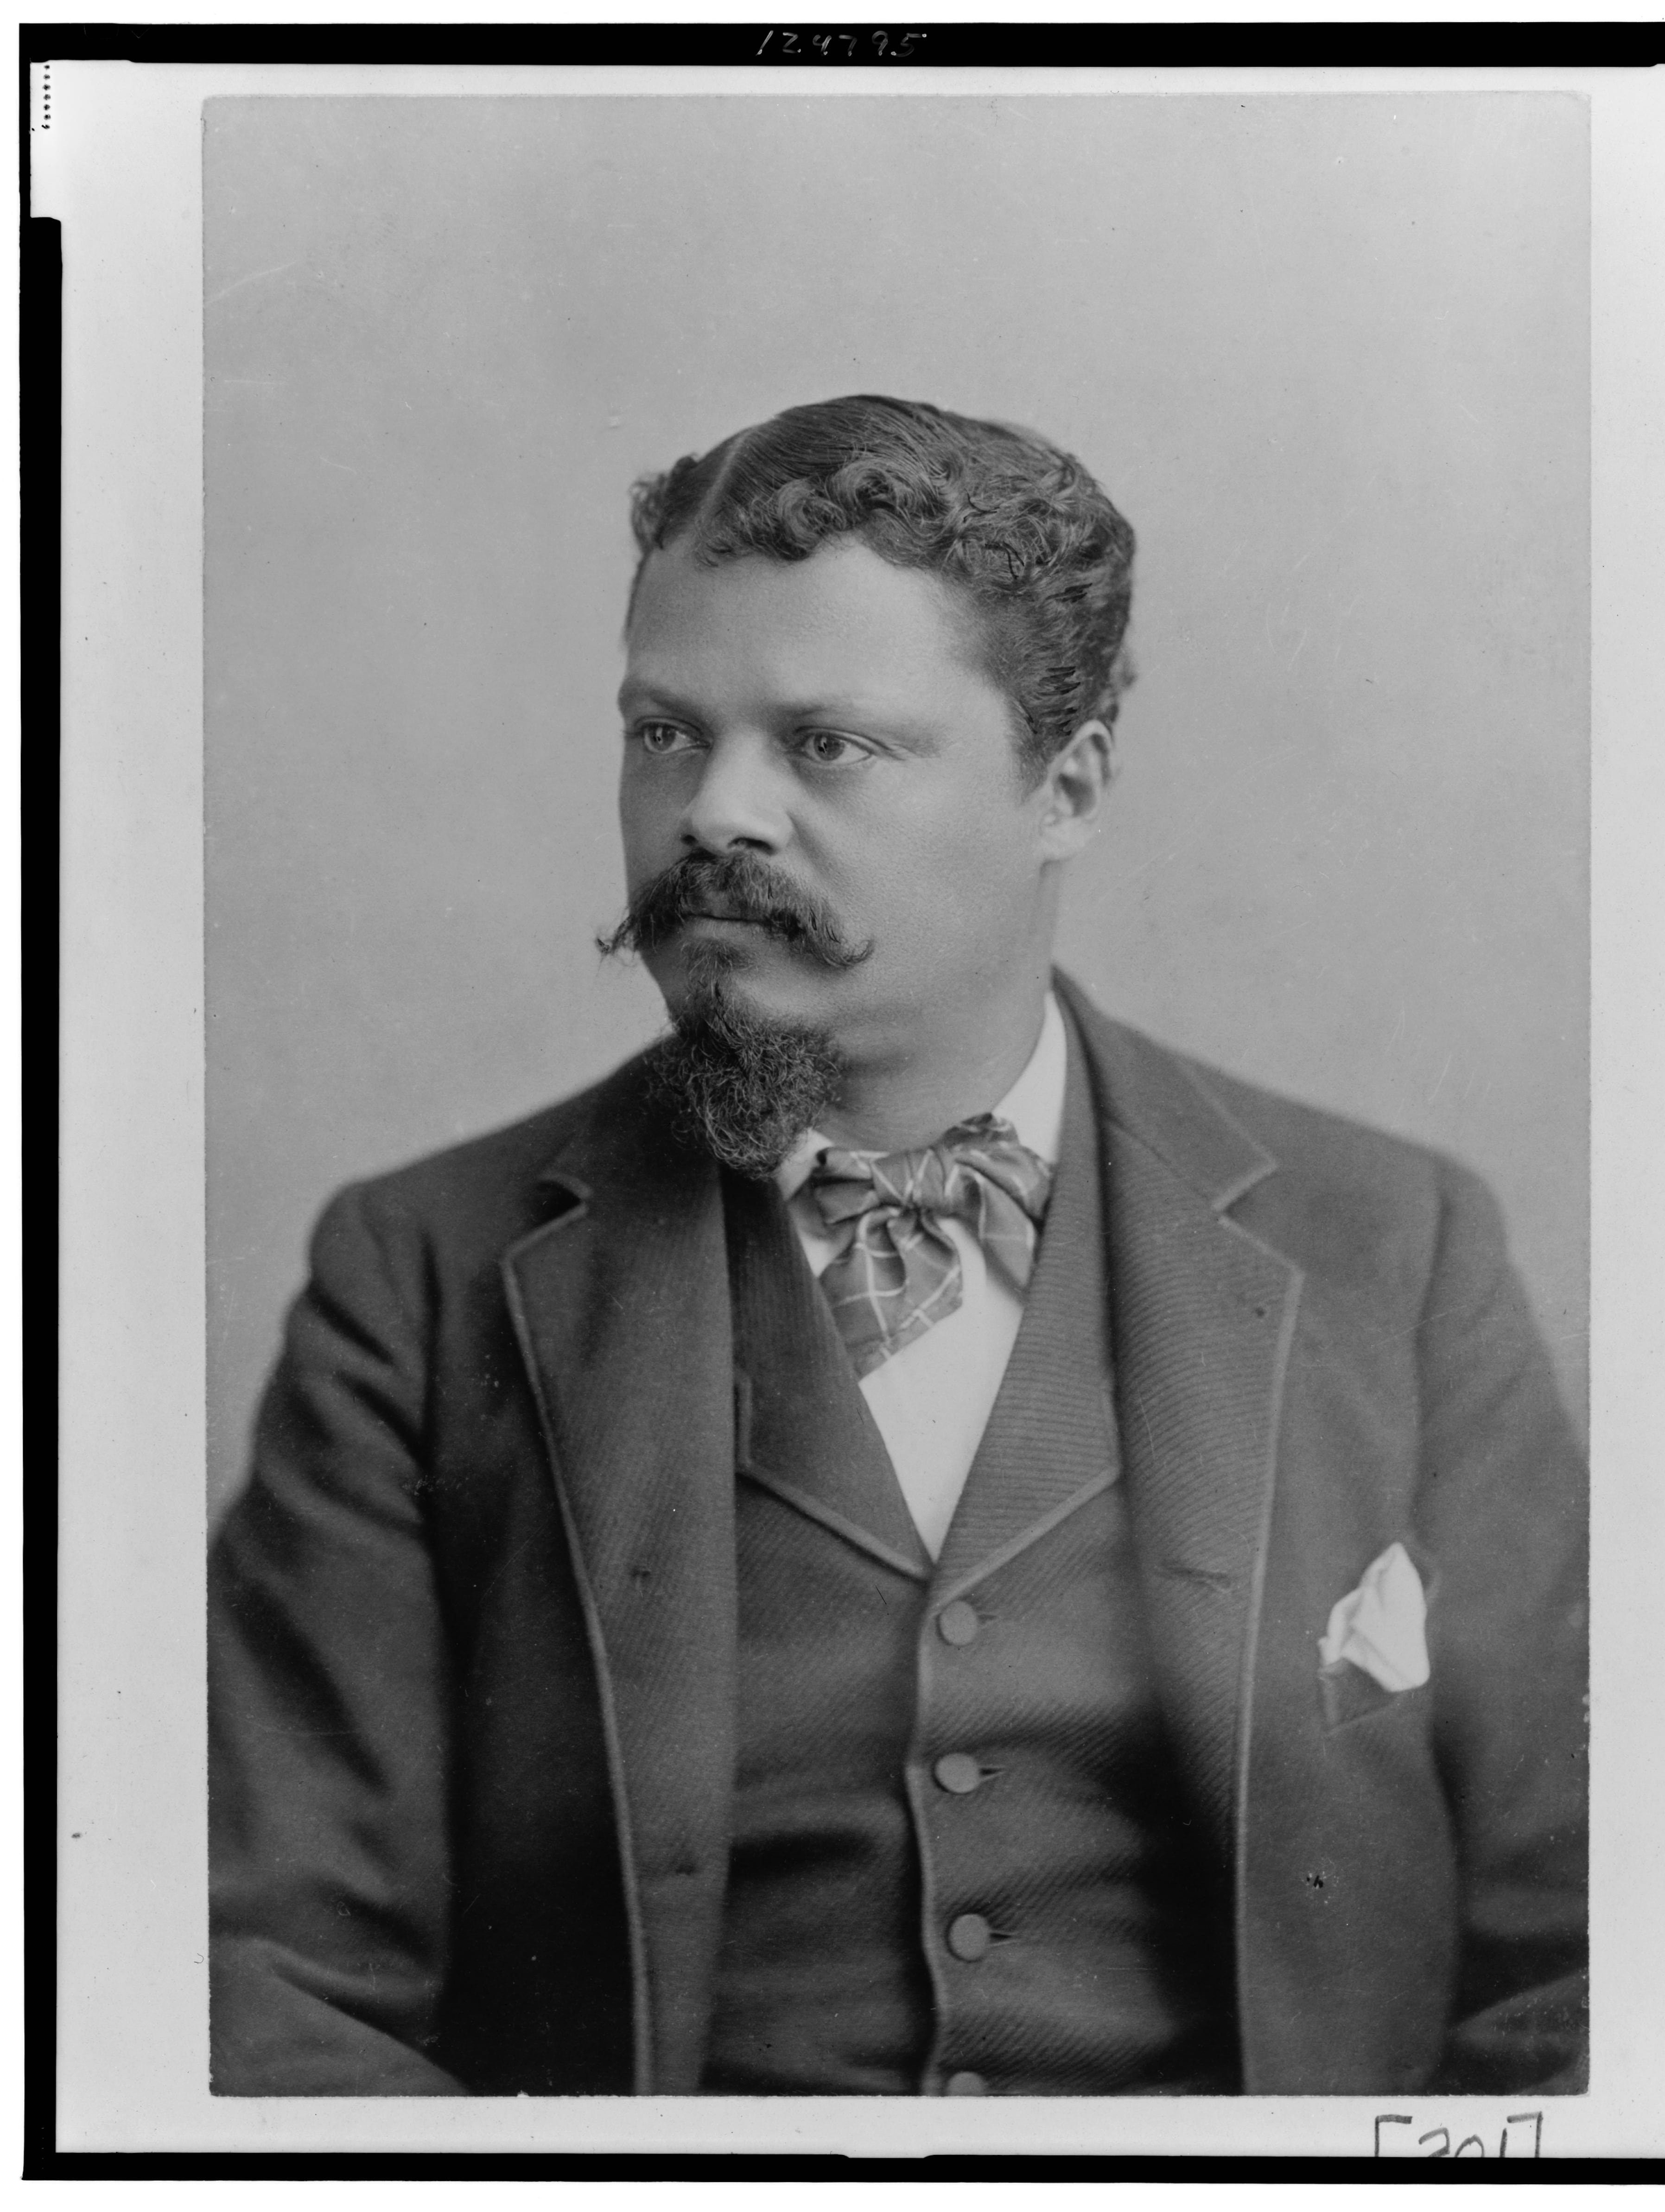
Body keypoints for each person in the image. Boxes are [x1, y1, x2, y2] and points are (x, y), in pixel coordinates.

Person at [209, 394, 1587, 2099]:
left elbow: (1592, 1959)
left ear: (1064, 783)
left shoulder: (1398, 1254)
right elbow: (270, 1984)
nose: (716, 812)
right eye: (663, 734)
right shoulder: (417, 1281)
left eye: (825, 745)